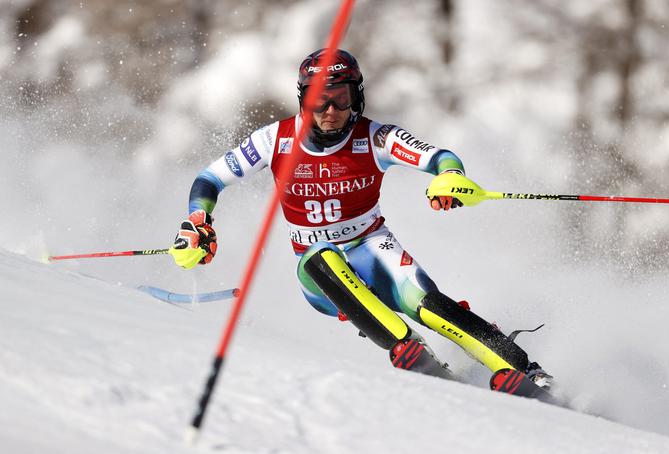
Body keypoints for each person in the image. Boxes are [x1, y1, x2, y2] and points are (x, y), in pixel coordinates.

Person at [170, 49, 552, 388]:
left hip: (372, 246)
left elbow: (439, 157)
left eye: (341, 98)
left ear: (358, 97)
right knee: (320, 253)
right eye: (321, 101)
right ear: (304, 101)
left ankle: (526, 370)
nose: (331, 111)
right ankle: (407, 346)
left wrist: (449, 177)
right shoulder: (276, 140)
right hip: (318, 273)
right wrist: (197, 220)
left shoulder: (375, 138)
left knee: (425, 302)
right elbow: (210, 178)